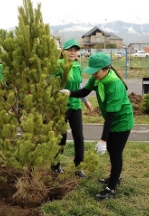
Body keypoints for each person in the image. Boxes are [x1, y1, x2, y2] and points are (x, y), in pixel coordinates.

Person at [61, 52, 134, 200]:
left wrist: (102, 140)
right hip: (112, 119)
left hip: (122, 121)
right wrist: (69, 92)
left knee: (115, 153)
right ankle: (114, 178)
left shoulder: (115, 85)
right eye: (92, 71)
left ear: (106, 69)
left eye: (96, 71)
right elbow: (84, 91)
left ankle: (111, 188)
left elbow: (111, 116)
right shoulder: (98, 78)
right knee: (112, 152)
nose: (93, 74)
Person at [52, 39, 93, 177]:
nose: (73, 52)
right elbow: (49, 84)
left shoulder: (76, 65)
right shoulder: (58, 65)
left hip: (75, 106)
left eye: (75, 50)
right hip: (60, 107)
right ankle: (55, 165)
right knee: (61, 138)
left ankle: (78, 166)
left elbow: (79, 86)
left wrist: (85, 101)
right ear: (63, 51)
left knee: (79, 137)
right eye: (70, 50)